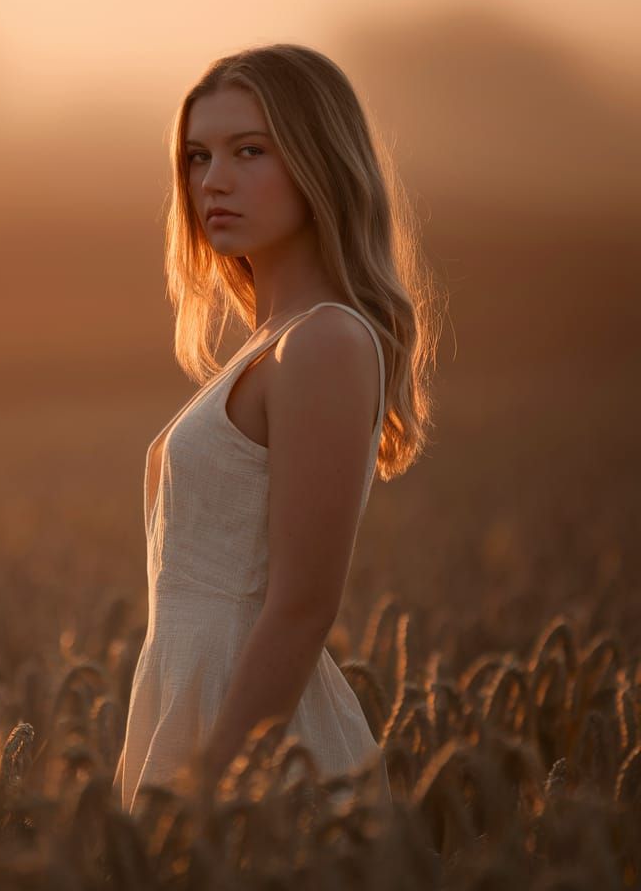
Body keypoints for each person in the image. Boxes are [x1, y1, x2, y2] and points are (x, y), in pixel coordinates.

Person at [112, 43, 442, 816]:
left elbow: (301, 605)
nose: (212, 180)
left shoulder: (324, 340)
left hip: (260, 754)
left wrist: (210, 788)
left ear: (319, 162)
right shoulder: (273, 344)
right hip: (190, 710)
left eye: (248, 150)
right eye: (198, 156)